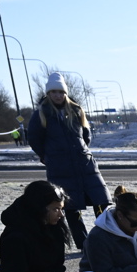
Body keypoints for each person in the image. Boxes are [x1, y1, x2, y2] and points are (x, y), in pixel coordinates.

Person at [26, 73, 110, 249]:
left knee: (101, 202)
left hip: (85, 166)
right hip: (60, 169)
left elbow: (86, 136)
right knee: (71, 208)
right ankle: (84, 244)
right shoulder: (41, 114)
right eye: (54, 92)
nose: (58, 95)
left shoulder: (76, 111)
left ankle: (107, 239)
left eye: (61, 92)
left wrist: (81, 151)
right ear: (48, 93)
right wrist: (47, 156)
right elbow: (34, 138)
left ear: (65, 92)